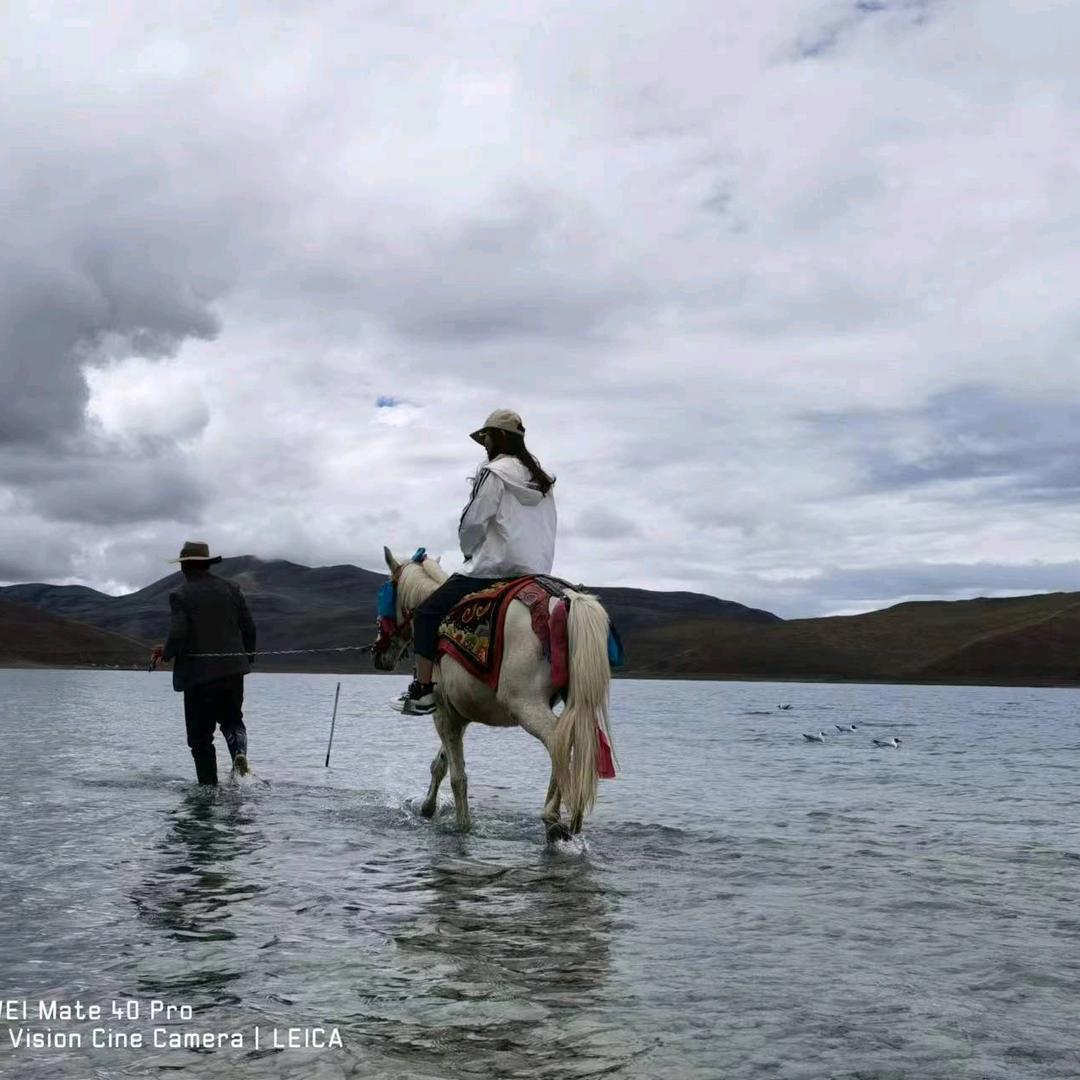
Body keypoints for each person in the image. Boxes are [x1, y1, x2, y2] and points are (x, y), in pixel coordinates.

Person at [393, 409, 557, 715]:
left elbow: (473, 522)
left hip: (494, 567)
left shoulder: (494, 473)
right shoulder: (542, 481)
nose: (485, 445)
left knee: (427, 613)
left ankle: (423, 691)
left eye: (487, 438)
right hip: (537, 571)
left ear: (499, 437)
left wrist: (469, 551)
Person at [150, 541, 257, 785]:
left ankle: (208, 789)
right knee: (232, 720)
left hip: (199, 678)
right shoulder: (232, 589)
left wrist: (166, 653)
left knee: (201, 739)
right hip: (233, 672)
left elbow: (178, 633)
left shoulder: (180, 595)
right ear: (207, 564)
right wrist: (246, 659)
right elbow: (249, 628)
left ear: (184, 566)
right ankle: (238, 752)